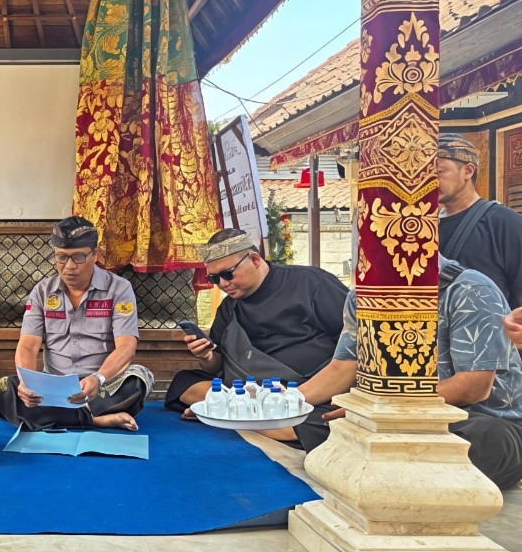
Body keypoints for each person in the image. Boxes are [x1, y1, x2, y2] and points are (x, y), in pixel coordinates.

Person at [294, 257, 522, 489]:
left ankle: (376, 473)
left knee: (484, 437)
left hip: (472, 418)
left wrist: (383, 407)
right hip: (393, 414)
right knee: (314, 420)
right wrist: (291, 402)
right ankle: (399, 476)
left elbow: (473, 387)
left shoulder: (469, 289)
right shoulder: (362, 295)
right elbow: (343, 367)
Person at [0, 216, 153, 431]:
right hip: (52, 385)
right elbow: (28, 345)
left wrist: (98, 379)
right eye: (61, 258)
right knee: (5, 388)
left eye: (78, 257)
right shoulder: (42, 291)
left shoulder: (119, 289)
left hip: (100, 387)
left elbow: (127, 348)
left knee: (139, 379)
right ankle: (94, 419)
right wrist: (27, 382)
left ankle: (51, 418)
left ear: (95, 254)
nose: (69, 267)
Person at [166, 228, 347, 413]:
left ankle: (232, 410)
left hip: (301, 388)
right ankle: (244, 410)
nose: (222, 283)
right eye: (214, 278)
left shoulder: (311, 283)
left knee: (307, 422)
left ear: (255, 260)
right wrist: (206, 356)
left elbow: (356, 343)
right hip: (247, 386)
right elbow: (218, 366)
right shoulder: (229, 307)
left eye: (227, 274)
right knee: (184, 383)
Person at [437, 133, 522, 309]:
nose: (429, 179)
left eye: (439, 171)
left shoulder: (505, 222)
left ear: (468, 171)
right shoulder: (426, 226)